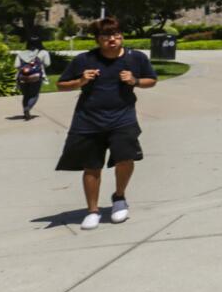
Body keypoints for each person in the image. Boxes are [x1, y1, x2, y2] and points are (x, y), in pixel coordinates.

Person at [54, 17, 156, 230]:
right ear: (98, 39)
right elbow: (61, 85)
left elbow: (151, 80)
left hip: (123, 118)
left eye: (117, 34)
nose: (113, 39)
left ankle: (119, 197)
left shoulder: (135, 58)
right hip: (88, 120)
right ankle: (93, 211)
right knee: (91, 167)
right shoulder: (84, 60)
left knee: (126, 159)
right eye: (107, 35)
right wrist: (80, 81)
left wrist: (134, 81)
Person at [14, 35, 52, 120]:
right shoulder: (43, 53)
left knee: (26, 95)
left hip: (22, 77)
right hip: (36, 77)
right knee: (34, 95)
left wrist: (25, 69)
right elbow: (47, 64)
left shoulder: (21, 53)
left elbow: (16, 65)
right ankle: (27, 109)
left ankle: (25, 109)